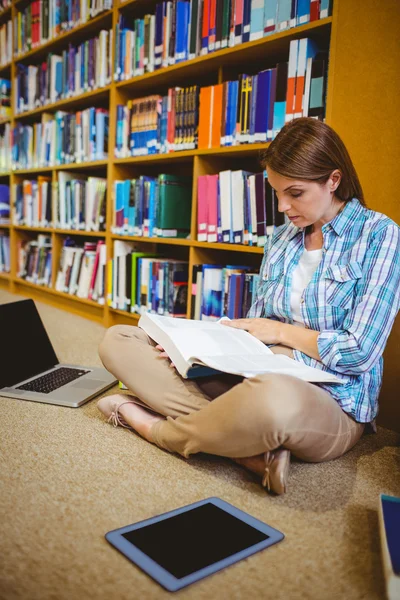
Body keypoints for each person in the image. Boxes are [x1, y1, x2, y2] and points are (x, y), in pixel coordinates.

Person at [97, 117, 400, 495]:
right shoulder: (281, 238)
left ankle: (152, 426)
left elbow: (359, 352)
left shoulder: (380, 235)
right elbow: (254, 327)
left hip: (330, 399)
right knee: (121, 339)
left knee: (273, 400)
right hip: (255, 372)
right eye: (276, 193)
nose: (283, 206)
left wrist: (279, 335)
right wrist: (191, 348)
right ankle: (246, 449)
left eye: (295, 193)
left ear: (333, 180)